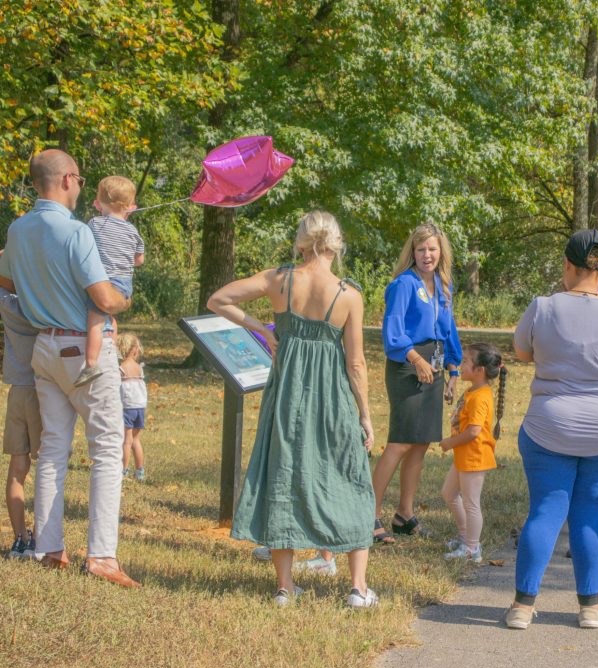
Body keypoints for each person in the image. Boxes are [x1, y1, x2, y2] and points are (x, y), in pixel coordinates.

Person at [209, 210, 378, 608]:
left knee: (282, 475)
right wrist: (366, 416)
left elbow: (219, 300)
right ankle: (357, 589)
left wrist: (261, 328)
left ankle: (285, 589)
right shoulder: (349, 295)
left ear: (302, 242)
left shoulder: (279, 279)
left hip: (286, 395)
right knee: (350, 477)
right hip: (333, 398)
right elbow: (355, 364)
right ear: (336, 244)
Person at [505, 229, 598, 631]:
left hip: (549, 425)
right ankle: (591, 608)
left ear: (567, 265)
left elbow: (522, 351)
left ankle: (522, 606)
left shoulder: (542, 308)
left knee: (545, 512)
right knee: (590, 515)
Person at [0, 150, 135, 586]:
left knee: (54, 449)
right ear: (66, 181)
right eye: (79, 179)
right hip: (83, 347)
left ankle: (49, 548)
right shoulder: (76, 233)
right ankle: (102, 557)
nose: (80, 186)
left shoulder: (17, 229)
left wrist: (38, 289)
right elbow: (105, 297)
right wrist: (124, 299)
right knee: (108, 449)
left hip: (44, 348)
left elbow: (6, 278)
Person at [374, 223, 463, 542]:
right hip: (407, 363)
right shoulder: (403, 284)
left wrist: (453, 372)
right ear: (412, 252)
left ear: (441, 252)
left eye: (433, 249)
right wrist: (416, 359)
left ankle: (404, 514)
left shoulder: (442, 284)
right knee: (400, 440)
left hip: (435, 363)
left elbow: (449, 329)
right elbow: (392, 333)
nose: (427, 255)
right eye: (421, 249)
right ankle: (367, 514)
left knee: (421, 441)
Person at [438, 342, 507, 563]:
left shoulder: (480, 397)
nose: (461, 364)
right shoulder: (472, 391)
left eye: (466, 361)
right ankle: (465, 536)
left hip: (474, 457)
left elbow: (474, 432)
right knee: (449, 494)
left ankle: (472, 548)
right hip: (464, 456)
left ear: (480, 371)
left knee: (471, 503)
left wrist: (450, 442)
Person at [75, 176, 144, 387]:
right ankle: (111, 353)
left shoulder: (95, 224)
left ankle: (91, 363)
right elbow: (139, 260)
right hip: (124, 283)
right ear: (131, 207)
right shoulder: (133, 231)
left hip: (103, 281)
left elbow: (85, 248)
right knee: (109, 318)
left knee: (94, 320)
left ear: (98, 203)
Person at [0, 285, 41, 559]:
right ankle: (41, 536)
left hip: (17, 391)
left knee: (17, 469)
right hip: (42, 390)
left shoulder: (6, 303)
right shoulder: (41, 300)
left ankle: (19, 538)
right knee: (49, 466)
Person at [117, 333, 147, 482]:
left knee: (126, 441)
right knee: (136, 439)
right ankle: (140, 470)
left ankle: (124, 469)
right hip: (140, 407)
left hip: (126, 408)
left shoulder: (121, 368)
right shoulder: (139, 369)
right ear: (135, 349)